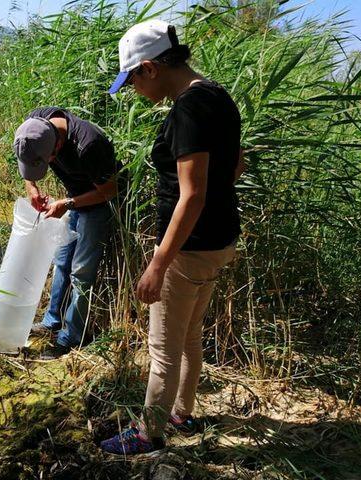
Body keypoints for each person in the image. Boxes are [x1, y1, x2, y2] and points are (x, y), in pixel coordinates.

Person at [100, 20, 245, 454]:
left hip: (190, 247)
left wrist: (158, 264)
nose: (131, 90)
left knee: (163, 347)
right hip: (218, 240)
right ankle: (182, 412)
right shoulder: (217, 94)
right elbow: (236, 163)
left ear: (150, 68)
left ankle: (149, 434)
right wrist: (213, 201)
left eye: (131, 80)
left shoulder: (187, 108)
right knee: (191, 335)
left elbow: (192, 194)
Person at [13, 107, 121, 359]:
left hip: (97, 204)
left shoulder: (88, 144)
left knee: (81, 271)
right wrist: (32, 187)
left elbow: (111, 190)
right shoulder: (34, 125)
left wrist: (68, 204)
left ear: (58, 145)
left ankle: (71, 336)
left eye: (47, 161)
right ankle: (52, 320)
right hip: (72, 200)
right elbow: (26, 160)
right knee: (61, 261)